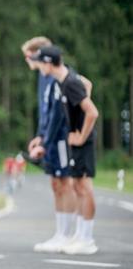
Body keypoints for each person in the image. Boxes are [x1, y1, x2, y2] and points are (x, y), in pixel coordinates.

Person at [32, 45, 99, 255]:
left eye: (40, 62)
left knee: (84, 187)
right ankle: (79, 235)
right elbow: (88, 84)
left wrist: (81, 136)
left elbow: (92, 112)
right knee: (78, 187)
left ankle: (87, 240)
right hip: (74, 141)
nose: (38, 66)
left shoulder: (69, 82)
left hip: (81, 143)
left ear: (49, 64)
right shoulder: (65, 81)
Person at [22, 36, 78, 252]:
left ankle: (69, 234)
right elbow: (44, 111)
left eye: (28, 56)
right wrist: (39, 134)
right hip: (49, 137)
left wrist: (47, 140)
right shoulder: (42, 77)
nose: (26, 61)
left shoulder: (55, 75)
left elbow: (58, 114)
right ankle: (60, 233)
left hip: (61, 136)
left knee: (65, 182)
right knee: (56, 184)